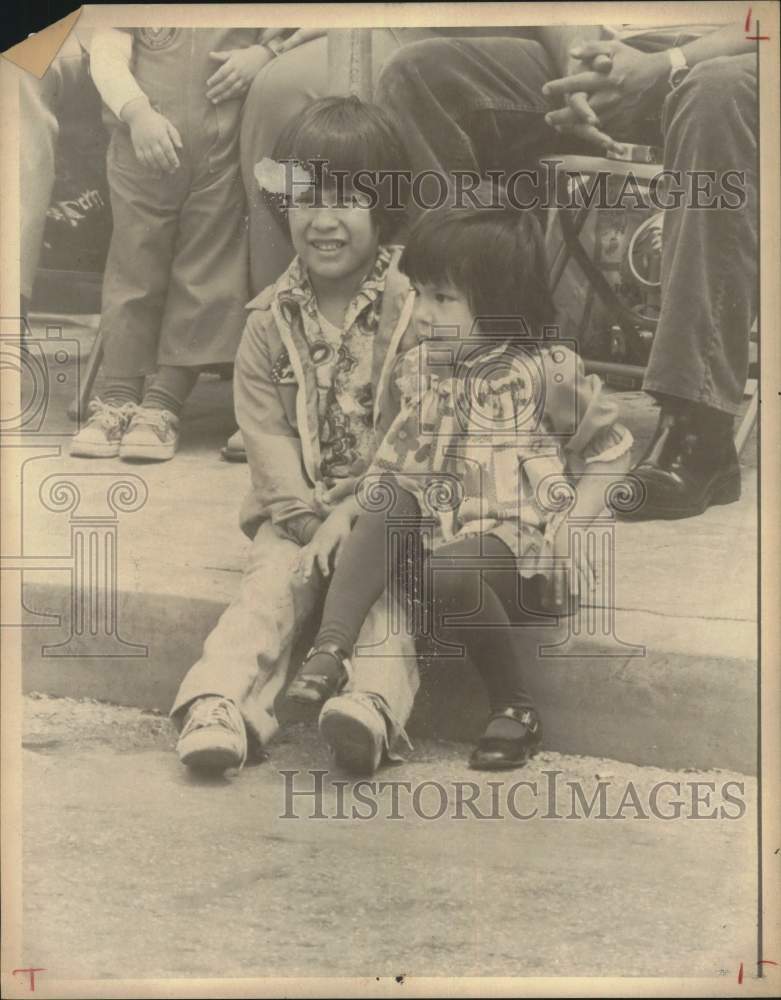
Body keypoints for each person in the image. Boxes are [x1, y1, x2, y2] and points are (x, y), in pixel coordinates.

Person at [285, 199, 633, 770]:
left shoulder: (545, 372)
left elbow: (613, 451)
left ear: (500, 303)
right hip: (434, 540)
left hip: (515, 552)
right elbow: (392, 464)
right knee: (390, 498)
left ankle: (516, 707)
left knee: (447, 569)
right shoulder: (419, 370)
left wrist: (574, 524)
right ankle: (330, 649)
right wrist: (343, 515)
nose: (423, 313)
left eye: (443, 298)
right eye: (419, 292)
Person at [375, 20, 757, 519]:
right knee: (420, 75)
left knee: (716, 92)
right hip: (614, 55)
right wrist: (579, 64)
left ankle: (697, 426)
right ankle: (476, 363)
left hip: (733, 62)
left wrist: (669, 66)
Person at [171, 96, 419, 776]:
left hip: (382, 514)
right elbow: (266, 434)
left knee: (383, 603)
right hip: (298, 513)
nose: (323, 220)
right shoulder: (267, 322)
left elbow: (421, 425)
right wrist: (309, 520)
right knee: (268, 589)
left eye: (346, 200)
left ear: (385, 207)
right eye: (306, 199)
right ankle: (220, 703)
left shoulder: (414, 312)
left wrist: (358, 513)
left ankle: (369, 703)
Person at [69, 27, 275, 462]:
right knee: (134, 267)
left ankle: (165, 401)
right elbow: (106, 54)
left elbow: (292, 28)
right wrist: (136, 112)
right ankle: (119, 394)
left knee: (206, 274)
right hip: (141, 150)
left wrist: (264, 52)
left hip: (219, 155)